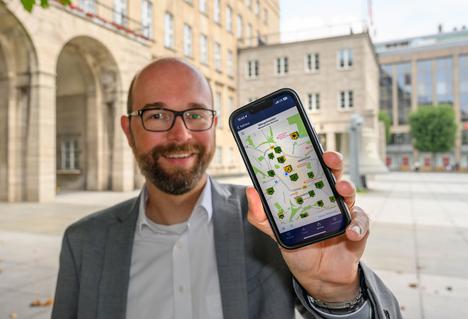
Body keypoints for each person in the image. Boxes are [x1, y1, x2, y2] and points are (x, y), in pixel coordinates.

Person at [52, 58, 401, 319]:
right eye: (157, 115)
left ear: (215, 125)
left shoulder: (268, 227)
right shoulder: (83, 243)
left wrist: (337, 291)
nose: (181, 135)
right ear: (128, 130)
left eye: (196, 114)